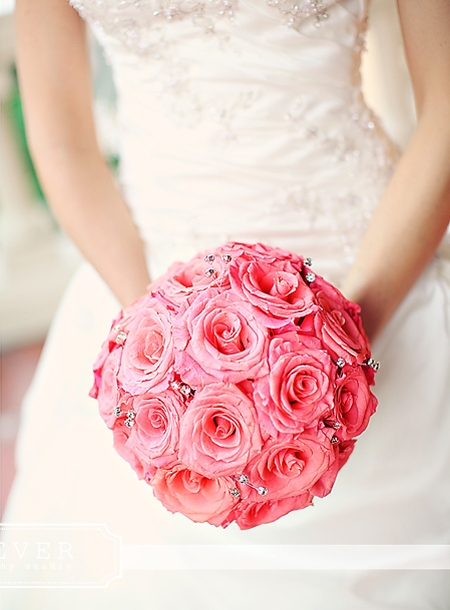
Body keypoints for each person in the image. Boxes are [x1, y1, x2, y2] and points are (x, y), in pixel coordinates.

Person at [2, 0, 450, 607]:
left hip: (373, 276)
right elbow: (62, 144)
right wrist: (160, 346)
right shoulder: (151, 335)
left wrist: (338, 341)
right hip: (140, 283)